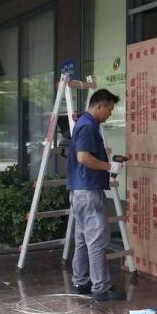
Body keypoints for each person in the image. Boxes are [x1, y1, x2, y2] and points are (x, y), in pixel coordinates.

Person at [67, 89, 126, 301]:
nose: (110, 113)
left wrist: (109, 163)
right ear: (100, 105)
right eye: (109, 109)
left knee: (83, 240)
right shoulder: (88, 126)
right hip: (88, 192)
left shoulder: (84, 124)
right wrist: (109, 166)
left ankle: (81, 281)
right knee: (96, 241)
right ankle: (101, 288)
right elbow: (83, 158)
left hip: (81, 192)